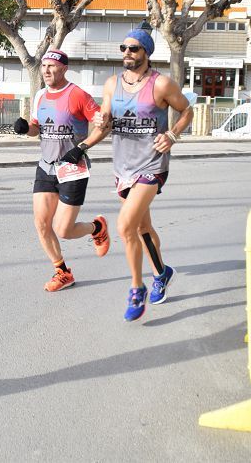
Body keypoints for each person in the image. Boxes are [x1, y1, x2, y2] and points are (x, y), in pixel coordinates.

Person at [93, 28, 194, 322]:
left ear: (146, 53)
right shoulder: (112, 84)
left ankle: (137, 289)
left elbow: (187, 111)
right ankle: (162, 273)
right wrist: (97, 124)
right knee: (142, 228)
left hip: (152, 165)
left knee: (125, 227)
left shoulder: (161, 84)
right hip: (122, 166)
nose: (127, 53)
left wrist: (173, 135)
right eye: (124, 47)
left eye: (134, 48)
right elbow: (105, 121)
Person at [13, 50, 111, 292]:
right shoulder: (39, 96)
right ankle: (63, 272)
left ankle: (96, 228)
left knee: (64, 230)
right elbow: (37, 127)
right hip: (46, 166)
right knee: (41, 223)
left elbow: (104, 125)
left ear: (64, 68)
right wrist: (26, 128)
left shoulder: (77, 95)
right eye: (44, 66)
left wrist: (82, 147)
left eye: (52, 66)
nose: (46, 70)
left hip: (72, 169)